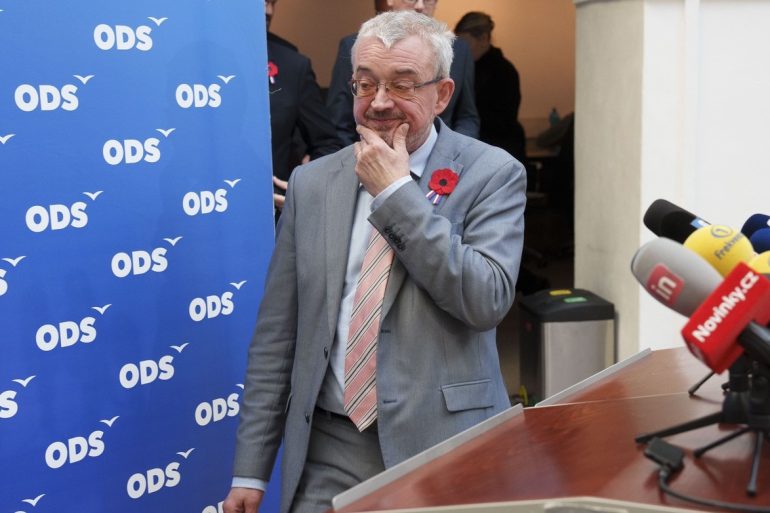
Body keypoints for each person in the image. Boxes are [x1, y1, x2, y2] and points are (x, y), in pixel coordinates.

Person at [224, 11, 526, 513]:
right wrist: (250, 471)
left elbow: (485, 300)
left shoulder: (492, 174)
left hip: (448, 445)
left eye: (402, 85)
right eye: (365, 84)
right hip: (331, 445)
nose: (380, 102)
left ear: (442, 94)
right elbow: (278, 335)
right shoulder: (312, 183)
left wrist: (395, 194)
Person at [326, 0, 479, 146]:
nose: (420, 6)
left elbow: (466, 115)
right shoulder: (359, 45)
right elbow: (339, 120)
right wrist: (358, 156)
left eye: (402, 86)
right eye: (366, 85)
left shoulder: (459, 49)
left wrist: (454, 154)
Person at [265, 0, 341, 211]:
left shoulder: (291, 63)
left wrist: (303, 185)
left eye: (271, 1)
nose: (267, 10)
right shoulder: (195, 59)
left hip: (274, 213)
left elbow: (328, 144)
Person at [455, 12, 526, 161]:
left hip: (499, 148)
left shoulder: (504, 71)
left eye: (465, 44)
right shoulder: (469, 67)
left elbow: (502, 121)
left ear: (483, 38)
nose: (461, 51)